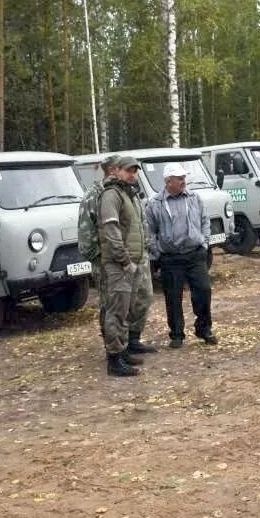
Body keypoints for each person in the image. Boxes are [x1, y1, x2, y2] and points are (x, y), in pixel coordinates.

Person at [146, 162, 217, 348]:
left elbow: (205, 221)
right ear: (168, 181)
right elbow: (149, 232)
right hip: (170, 258)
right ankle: (177, 334)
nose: (184, 181)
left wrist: (204, 243)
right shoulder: (155, 203)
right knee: (173, 297)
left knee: (203, 291)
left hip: (195, 254)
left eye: (184, 178)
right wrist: (158, 254)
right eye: (179, 178)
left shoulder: (195, 198)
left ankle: (204, 329)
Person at [97, 156, 153, 374]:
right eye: (128, 170)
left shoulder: (127, 194)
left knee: (128, 310)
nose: (133, 174)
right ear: (116, 171)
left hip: (134, 262)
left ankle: (122, 352)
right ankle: (114, 362)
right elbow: (110, 231)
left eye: (135, 171)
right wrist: (124, 261)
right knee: (117, 312)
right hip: (120, 265)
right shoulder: (111, 195)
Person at [78, 154, 120, 339]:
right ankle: (112, 349)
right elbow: (86, 238)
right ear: (112, 170)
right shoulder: (93, 196)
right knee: (109, 304)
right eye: (124, 168)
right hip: (103, 262)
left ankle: (123, 345)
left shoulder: (117, 192)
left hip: (118, 260)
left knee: (121, 304)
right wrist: (101, 259)